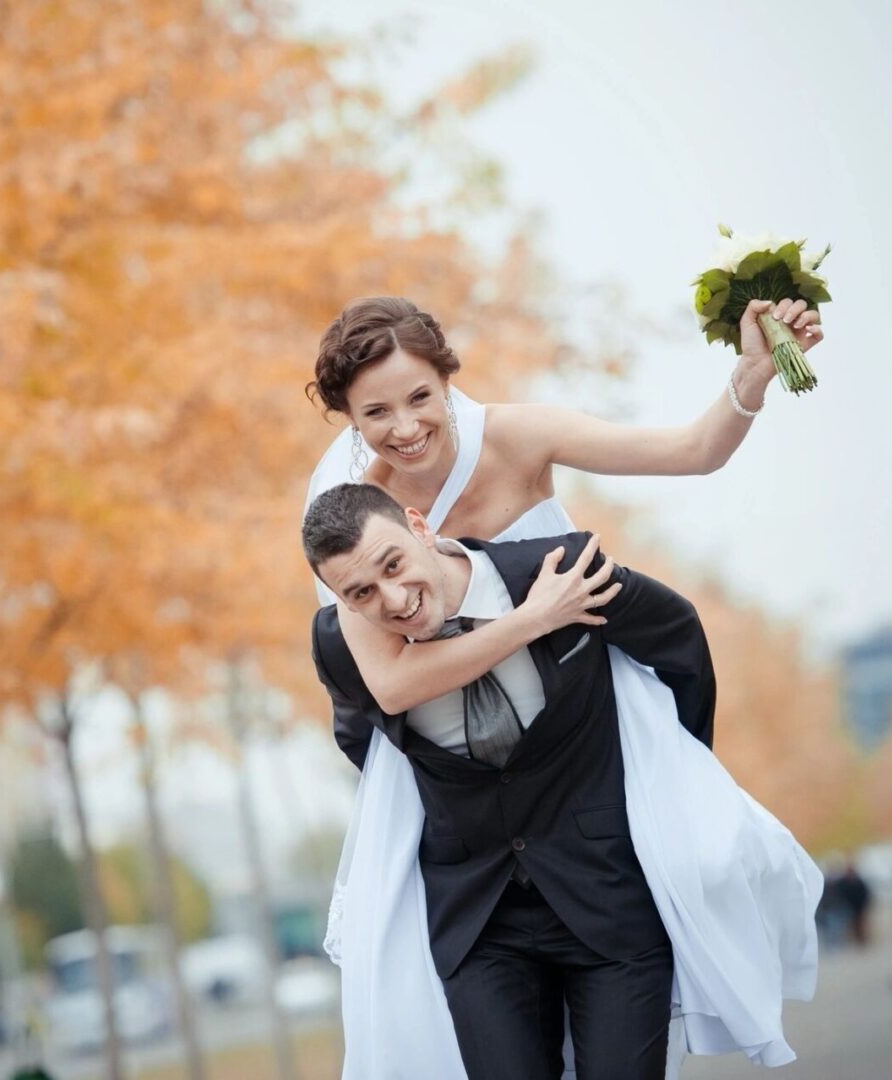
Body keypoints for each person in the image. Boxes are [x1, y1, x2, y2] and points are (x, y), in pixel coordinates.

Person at [305, 296, 824, 1077]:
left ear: (448, 379)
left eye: (419, 397)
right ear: (348, 420)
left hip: (583, 686)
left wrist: (750, 374)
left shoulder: (520, 435)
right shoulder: (361, 525)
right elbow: (383, 683)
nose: (404, 427)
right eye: (375, 412)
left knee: (697, 861)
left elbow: (691, 451)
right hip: (461, 742)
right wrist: (526, 623)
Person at [306, 483, 714, 1078]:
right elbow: (365, 746)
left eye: (393, 564)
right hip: (477, 921)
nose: (394, 599)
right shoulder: (342, 649)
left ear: (420, 526)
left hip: (609, 895)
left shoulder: (560, 573)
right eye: (361, 593)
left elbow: (679, 640)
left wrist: (678, 782)